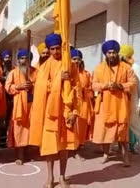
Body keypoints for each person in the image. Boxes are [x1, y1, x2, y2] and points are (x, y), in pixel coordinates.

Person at [29, 33, 81, 188]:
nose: (56, 52)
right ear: (48, 49)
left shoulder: (70, 65)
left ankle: (62, 176)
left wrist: (74, 112)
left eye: (58, 48)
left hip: (66, 111)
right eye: (52, 49)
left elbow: (77, 89)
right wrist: (60, 79)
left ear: (62, 48)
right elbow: (40, 89)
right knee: (50, 147)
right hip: (50, 114)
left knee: (64, 148)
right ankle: (50, 178)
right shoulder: (44, 67)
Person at [92, 40, 137, 167]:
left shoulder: (126, 68)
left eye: (114, 52)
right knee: (104, 132)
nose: (112, 55)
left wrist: (120, 86)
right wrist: (105, 86)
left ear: (117, 53)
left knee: (122, 133)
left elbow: (133, 83)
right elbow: (94, 85)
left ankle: (125, 156)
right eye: (109, 52)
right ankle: (106, 154)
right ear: (105, 54)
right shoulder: (99, 68)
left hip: (120, 105)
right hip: (104, 106)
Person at [5, 49, 36, 165]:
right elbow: (7, 87)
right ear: (18, 60)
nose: (24, 61)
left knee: (30, 129)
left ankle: (28, 153)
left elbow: (41, 86)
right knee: (19, 130)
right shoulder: (13, 72)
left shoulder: (35, 72)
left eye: (27, 58)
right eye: (22, 58)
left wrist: (33, 86)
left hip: (32, 105)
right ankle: (19, 155)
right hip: (19, 106)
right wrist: (19, 86)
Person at [71, 49, 94, 160]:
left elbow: (90, 88)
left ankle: (77, 150)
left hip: (83, 103)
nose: (76, 61)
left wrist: (86, 91)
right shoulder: (68, 72)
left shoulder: (86, 74)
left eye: (78, 59)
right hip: (70, 103)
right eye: (74, 59)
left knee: (81, 127)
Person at [119, 44, 140, 153]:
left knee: (135, 125)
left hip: (133, 101)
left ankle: (135, 147)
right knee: (125, 125)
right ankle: (125, 147)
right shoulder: (121, 66)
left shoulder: (135, 67)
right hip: (122, 101)